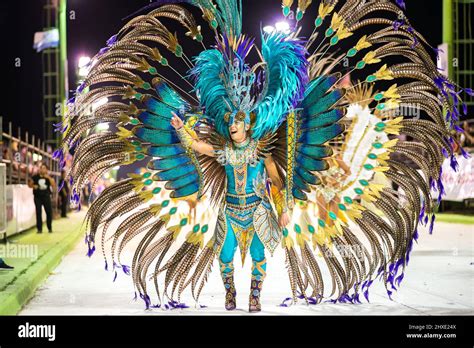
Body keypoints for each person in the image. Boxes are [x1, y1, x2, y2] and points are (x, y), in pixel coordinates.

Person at [28, 163, 55, 233]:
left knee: (49, 212)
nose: (42, 169)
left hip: (46, 196)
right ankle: (39, 229)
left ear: (46, 170)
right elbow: (29, 184)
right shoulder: (35, 177)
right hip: (37, 197)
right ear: (39, 169)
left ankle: (49, 227)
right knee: (38, 212)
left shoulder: (48, 177)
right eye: (41, 168)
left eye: (44, 168)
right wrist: (33, 186)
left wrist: (48, 177)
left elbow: (53, 185)